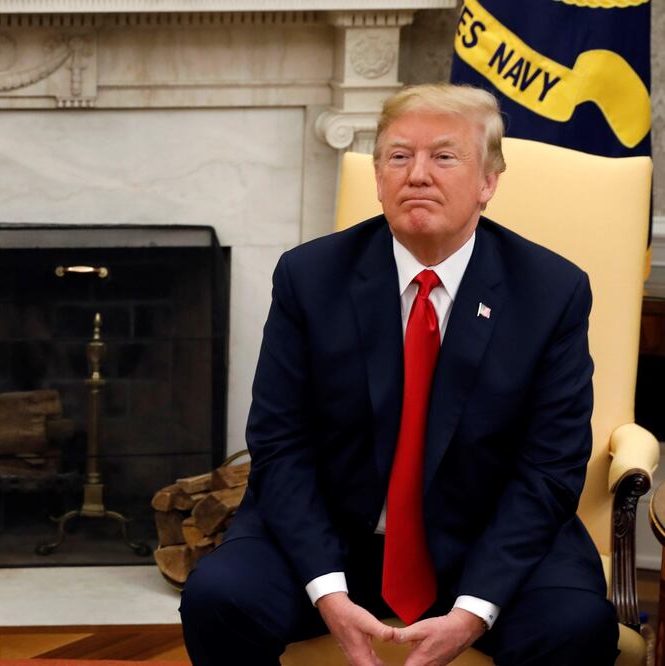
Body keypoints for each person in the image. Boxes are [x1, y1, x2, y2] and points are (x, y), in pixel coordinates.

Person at [180, 83, 618, 665]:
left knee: (576, 627)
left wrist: (472, 611)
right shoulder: (309, 276)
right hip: (337, 537)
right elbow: (279, 443)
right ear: (379, 177)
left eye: (444, 156)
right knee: (219, 598)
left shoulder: (551, 291)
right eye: (399, 156)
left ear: (488, 182)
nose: (417, 175)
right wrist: (328, 593)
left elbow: (549, 469)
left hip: (486, 541)